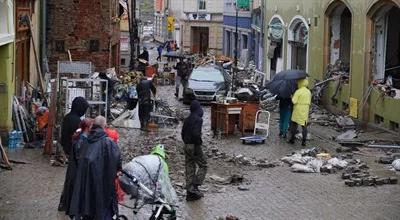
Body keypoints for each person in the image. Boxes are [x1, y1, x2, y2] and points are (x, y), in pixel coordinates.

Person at [69, 116, 122, 220]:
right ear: (104, 126)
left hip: (85, 186)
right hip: (101, 187)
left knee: (87, 210)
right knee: (102, 211)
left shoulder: (84, 141)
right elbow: (117, 160)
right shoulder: (108, 143)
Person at [59, 96, 89, 211]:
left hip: (68, 150)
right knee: (73, 178)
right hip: (74, 153)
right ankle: (67, 202)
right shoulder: (76, 121)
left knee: (71, 178)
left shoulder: (68, 117)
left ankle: (66, 202)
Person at [61, 118, 93, 219]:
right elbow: (80, 159)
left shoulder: (80, 138)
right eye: (92, 126)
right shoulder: (82, 141)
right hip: (77, 174)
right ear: (88, 128)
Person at [181, 100, 207, 201]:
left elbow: (182, 133)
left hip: (186, 145)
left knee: (189, 166)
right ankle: (195, 186)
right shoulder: (198, 119)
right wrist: (198, 143)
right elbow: (196, 134)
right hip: (194, 145)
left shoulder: (187, 119)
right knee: (203, 165)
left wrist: (187, 143)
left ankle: (189, 193)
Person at [288, 78, 312, 146]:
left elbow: (294, 101)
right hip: (305, 109)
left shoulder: (298, 91)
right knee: (304, 125)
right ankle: (304, 142)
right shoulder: (308, 92)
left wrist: (292, 97)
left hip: (298, 109)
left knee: (294, 124)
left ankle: (292, 139)